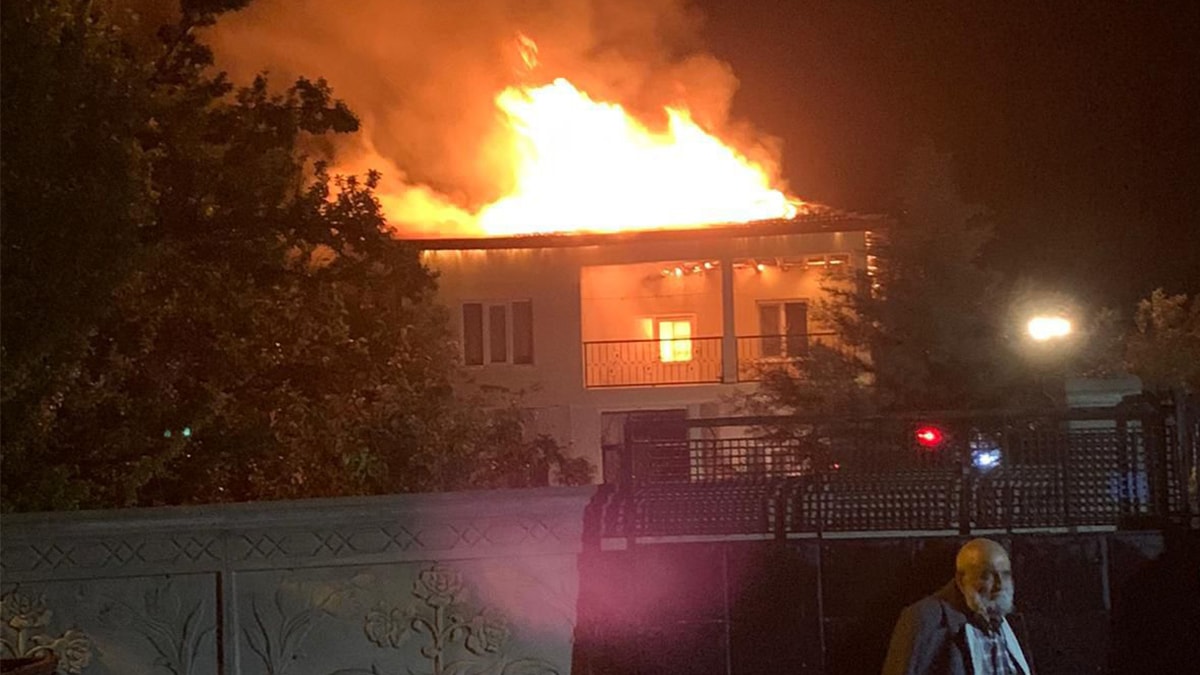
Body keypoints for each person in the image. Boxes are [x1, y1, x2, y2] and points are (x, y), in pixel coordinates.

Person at [881, 538, 1032, 675]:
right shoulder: (924, 618)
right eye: (987, 576)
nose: (999, 585)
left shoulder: (1010, 619)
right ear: (961, 579)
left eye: (1005, 574)